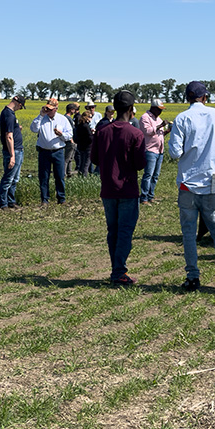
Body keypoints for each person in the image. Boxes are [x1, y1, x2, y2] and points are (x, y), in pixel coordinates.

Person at [168, 81, 215, 290]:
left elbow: (175, 153)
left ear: (187, 98)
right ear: (205, 97)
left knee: (189, 233)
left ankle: (192, 276)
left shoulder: (182, 118)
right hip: (211, 182)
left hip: (187, 184)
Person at [91, 91, 146, 285]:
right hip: (127, 189)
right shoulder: (135, 133)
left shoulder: (102, 131)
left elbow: (94, 159)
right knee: (124, 231)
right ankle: (118, 271)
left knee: (112, 230)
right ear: (131, 110)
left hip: (107, 189)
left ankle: (116, 269)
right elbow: (140, 164)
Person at [30, 98, 72, 205]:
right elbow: (34, 129)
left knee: (59, 176)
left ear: (56, 109)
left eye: (50, 109)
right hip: (44, 151)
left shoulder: (63, 119)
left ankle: (61, 198)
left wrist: (61, 135)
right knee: (44, 176)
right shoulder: (42, 119)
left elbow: (69, 135)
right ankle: (44, 199)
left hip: (58, 151)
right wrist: (40, 115)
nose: (48, 111)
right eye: (47, 108)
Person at [140, 98, 172, 205]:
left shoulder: (158, 119)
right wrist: (161, 125)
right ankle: (144, 197)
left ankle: (151, 196)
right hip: (150, 150)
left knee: (155, 175)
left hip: (159, 150)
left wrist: (167, 131)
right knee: (148, 175)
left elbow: (160, 134)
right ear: (153, 108)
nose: (160, 111)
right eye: (159, 109)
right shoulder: (145, 117)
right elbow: (148, 131)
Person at [0, 95, 27, 209]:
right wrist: (12, 156)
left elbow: (10, 131)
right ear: (18, 103)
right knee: (8, 178)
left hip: (18, 149)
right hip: (13, 151)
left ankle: (11, 201)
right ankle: (3, 203)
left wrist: (17, 129)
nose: (20, 108)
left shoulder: (9, 114)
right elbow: (8, 136)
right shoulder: (8, 114)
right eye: (21, 106)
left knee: (15, 178)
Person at [74, 112, 94, 176]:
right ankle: (84, 176)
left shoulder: (79, 125)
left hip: (81, 146)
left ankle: (80, 175)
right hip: (88, 146)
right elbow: (90, 137)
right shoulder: (86, 126)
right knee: (86, 163)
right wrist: (93, 134)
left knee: (82, 163)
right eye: (90, 117)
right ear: (87, 117)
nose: (91, 118)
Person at [64, 103, 80, 177]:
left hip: (70, 140)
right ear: (71, 110)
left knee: (70, 158)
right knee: (67, 158)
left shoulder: (65, 117)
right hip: (70, 140)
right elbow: (68, 130)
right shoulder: (68, 118)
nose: (75, 111)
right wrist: (71, 140)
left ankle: (69, 172)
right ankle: (64, 173)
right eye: (74, 109)